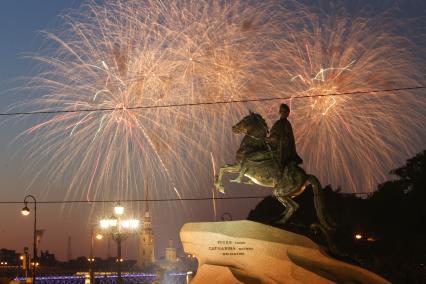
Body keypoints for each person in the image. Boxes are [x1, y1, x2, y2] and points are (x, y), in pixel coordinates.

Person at [267, 103, 303, 174]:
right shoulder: (282, 123)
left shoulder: (283, 123)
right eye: (282, 111)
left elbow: (281, 137)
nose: (282, 113)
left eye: (283, 111)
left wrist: (269, 139)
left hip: (282, 149)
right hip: (280, 147)